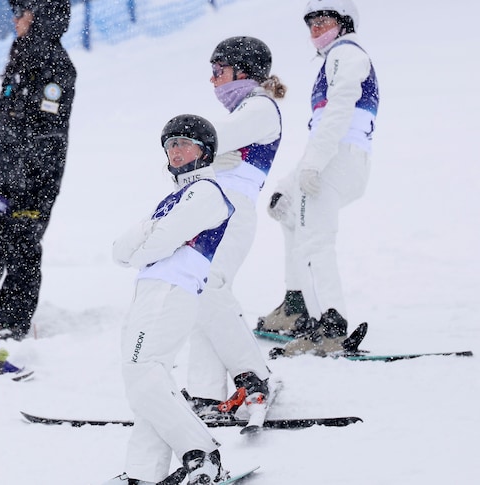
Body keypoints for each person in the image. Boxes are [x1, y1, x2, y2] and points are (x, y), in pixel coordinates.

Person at [108, 115, 233, 485]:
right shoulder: (173, 199)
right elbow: (119, 251)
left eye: (184, 143)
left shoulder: (207, 191)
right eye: (170, 144)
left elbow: (158, 244)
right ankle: (142, 473)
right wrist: (152, 235)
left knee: (142, 373)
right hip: (151, 289)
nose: (175, 150)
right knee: (147, 381)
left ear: (205, 150)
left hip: (171, 289)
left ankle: (202, 453)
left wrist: (150, 240)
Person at [259, 0, 379, 356]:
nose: (315, 30)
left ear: (344, 23)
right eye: (311, 24)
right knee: (290, 215)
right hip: (334, 157)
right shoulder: (335, 58)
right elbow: (326, 126)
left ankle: (329, 324)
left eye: (323, 21)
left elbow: (340, 111)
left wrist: (314, 164)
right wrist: (290, 183)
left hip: (336, 159)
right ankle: (298, 306)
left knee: (315, 241)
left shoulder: (346, 53)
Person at [0, 0, 76, 341]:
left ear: (39, 18)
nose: (15, 20)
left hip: (36, 177)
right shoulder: (18, 56)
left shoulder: (57, 65)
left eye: (22, 13)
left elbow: (45, 128)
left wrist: (27, 176)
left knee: (21, 245)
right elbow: (7, 117)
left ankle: (11, 322)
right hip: (1, 171)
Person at [184, 37, 286, 421]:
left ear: (243, 72)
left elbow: (209, 142)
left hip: (233, 209)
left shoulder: (260, 106)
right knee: (200, 292)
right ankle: (205, 393)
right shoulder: (247, 108)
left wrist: (200, 146)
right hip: (214, 208)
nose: (213, 81)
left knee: (209, 288)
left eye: (219, 71)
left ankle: (256, 376)